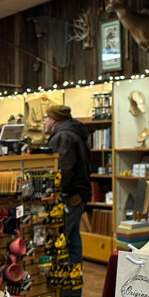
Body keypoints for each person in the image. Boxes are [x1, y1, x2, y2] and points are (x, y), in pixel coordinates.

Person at [43, 104, 92, 274]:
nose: (44, 122)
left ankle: (65, 284)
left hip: (69, 196)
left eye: (45, 118)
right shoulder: (74, 133)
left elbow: (63, 169)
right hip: (78, 194)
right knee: (73, 240)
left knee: (62, 240)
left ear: (54, 120)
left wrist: (52, 191)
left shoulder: (63, 136)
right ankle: (73, 284)